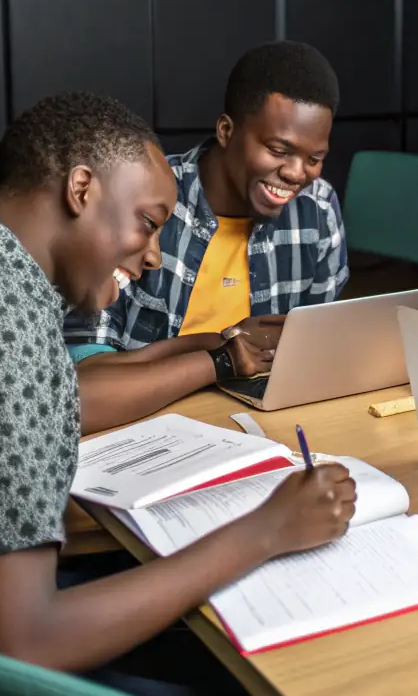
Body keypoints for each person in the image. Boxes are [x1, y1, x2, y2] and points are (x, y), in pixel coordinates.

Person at [0, 92, 362, 696]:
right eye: (148, 224)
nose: (152, 258)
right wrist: (265, 530)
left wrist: (207, 347)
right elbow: (23, 640)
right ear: (81, 188)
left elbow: (51, 391)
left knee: (203, 655)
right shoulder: (2, 332)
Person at [65, 41, 349, 434]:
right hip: (137, 430)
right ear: (227, 131)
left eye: (314, 159)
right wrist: (220, 349)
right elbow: (81, 372)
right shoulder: (142, 202)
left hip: (262, 431)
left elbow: (320, 352)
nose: (297, 173)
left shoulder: (318, 209)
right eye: (278, 150)